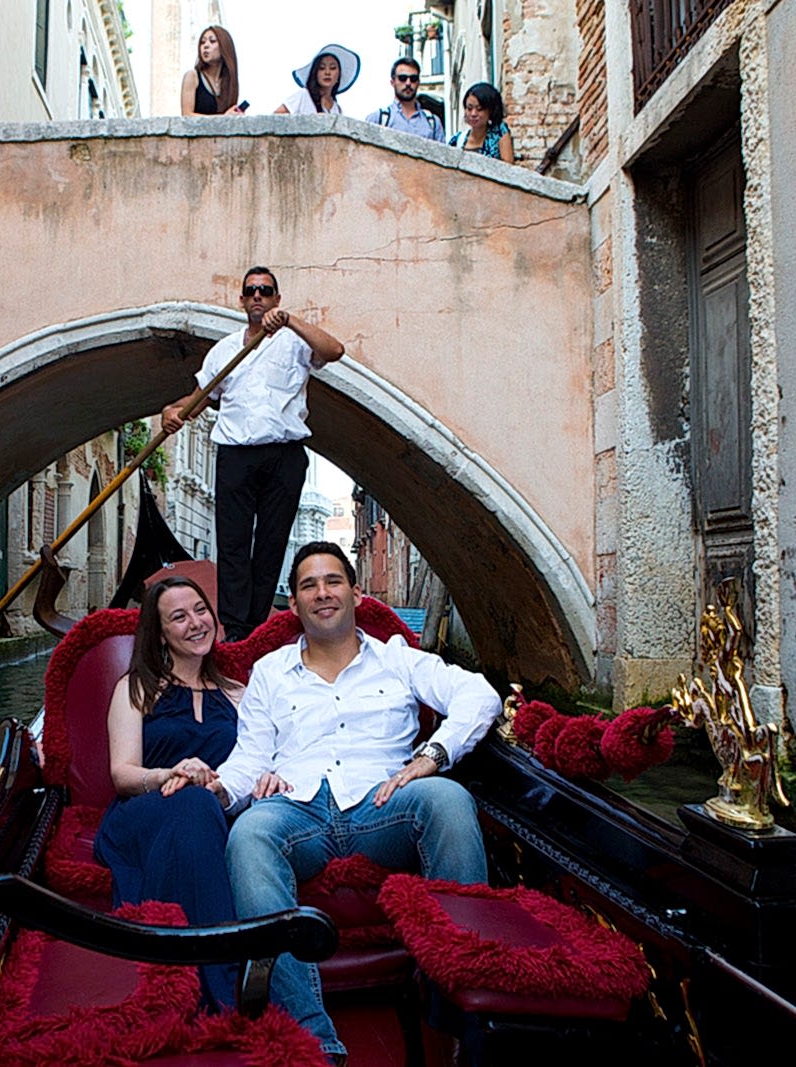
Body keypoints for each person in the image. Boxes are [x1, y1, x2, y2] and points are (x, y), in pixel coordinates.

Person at [210, 542, 500, 1061]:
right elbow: (248, 759)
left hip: (383, 806)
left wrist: (431, 756)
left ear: (356, 593)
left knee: (448, 800)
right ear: (293, 606)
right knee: (249, 835)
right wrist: (216, 787)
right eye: (308, 586)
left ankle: (463, 1016)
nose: (322, 593)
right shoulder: (271, 673)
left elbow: (480, 696)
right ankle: (314, 1044)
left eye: (332, 581)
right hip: (297, 808)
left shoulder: (398, 659)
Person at [161, 269, 345, 642]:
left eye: (266, 291)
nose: (258, 296)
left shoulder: (295, 343)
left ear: (276, 299)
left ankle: (257, 626)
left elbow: (334, 351)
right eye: (251, 291)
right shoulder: (225, 350)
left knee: (271, 543)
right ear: (243, 301)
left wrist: (291, 321)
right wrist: (172, 410)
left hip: (284, 455)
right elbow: (198, 401)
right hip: (235, 454)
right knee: (232, 543)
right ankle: (236, 631)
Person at [93, 575, 243, 1010]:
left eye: (201, 611)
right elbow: (122, 774)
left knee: (198, 805)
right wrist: (169, 775)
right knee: (189, 803)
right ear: (160, 634)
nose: (196, 623)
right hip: (143, 812)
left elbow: (257, 766)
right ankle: (220, 995)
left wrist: (216, 784)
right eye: (179, 617)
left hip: (216, 812)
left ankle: (189, 985)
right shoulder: (135, 688)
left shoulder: (238, 695)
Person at [363, 57, 444, 142]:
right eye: (402, 78)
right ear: (393, 82)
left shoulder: (433, 123)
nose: (408, 83)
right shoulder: (378, 119)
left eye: (413, 79)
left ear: (418, 82)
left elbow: (443, 154)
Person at [274, 44, 360, 115]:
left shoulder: (337, 109)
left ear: (338, 76)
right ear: (315, 73)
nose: (327, 72)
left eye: (332, 68)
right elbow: (277, 116)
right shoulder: (303, 95)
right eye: (322, 68)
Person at [180, 25, 246, 116]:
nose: (206, 46)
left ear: (224, 46)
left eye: (212, 41)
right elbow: (187, 116)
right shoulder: (192, 76)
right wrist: (224, 118)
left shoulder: (229, 83)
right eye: (202, 42)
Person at [448, 81, 514, 163]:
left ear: (490, 111)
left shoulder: (499, 133)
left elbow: (507, 167)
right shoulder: (457, 140)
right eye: (469, 108)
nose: (473, 114)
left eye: (479, 109)